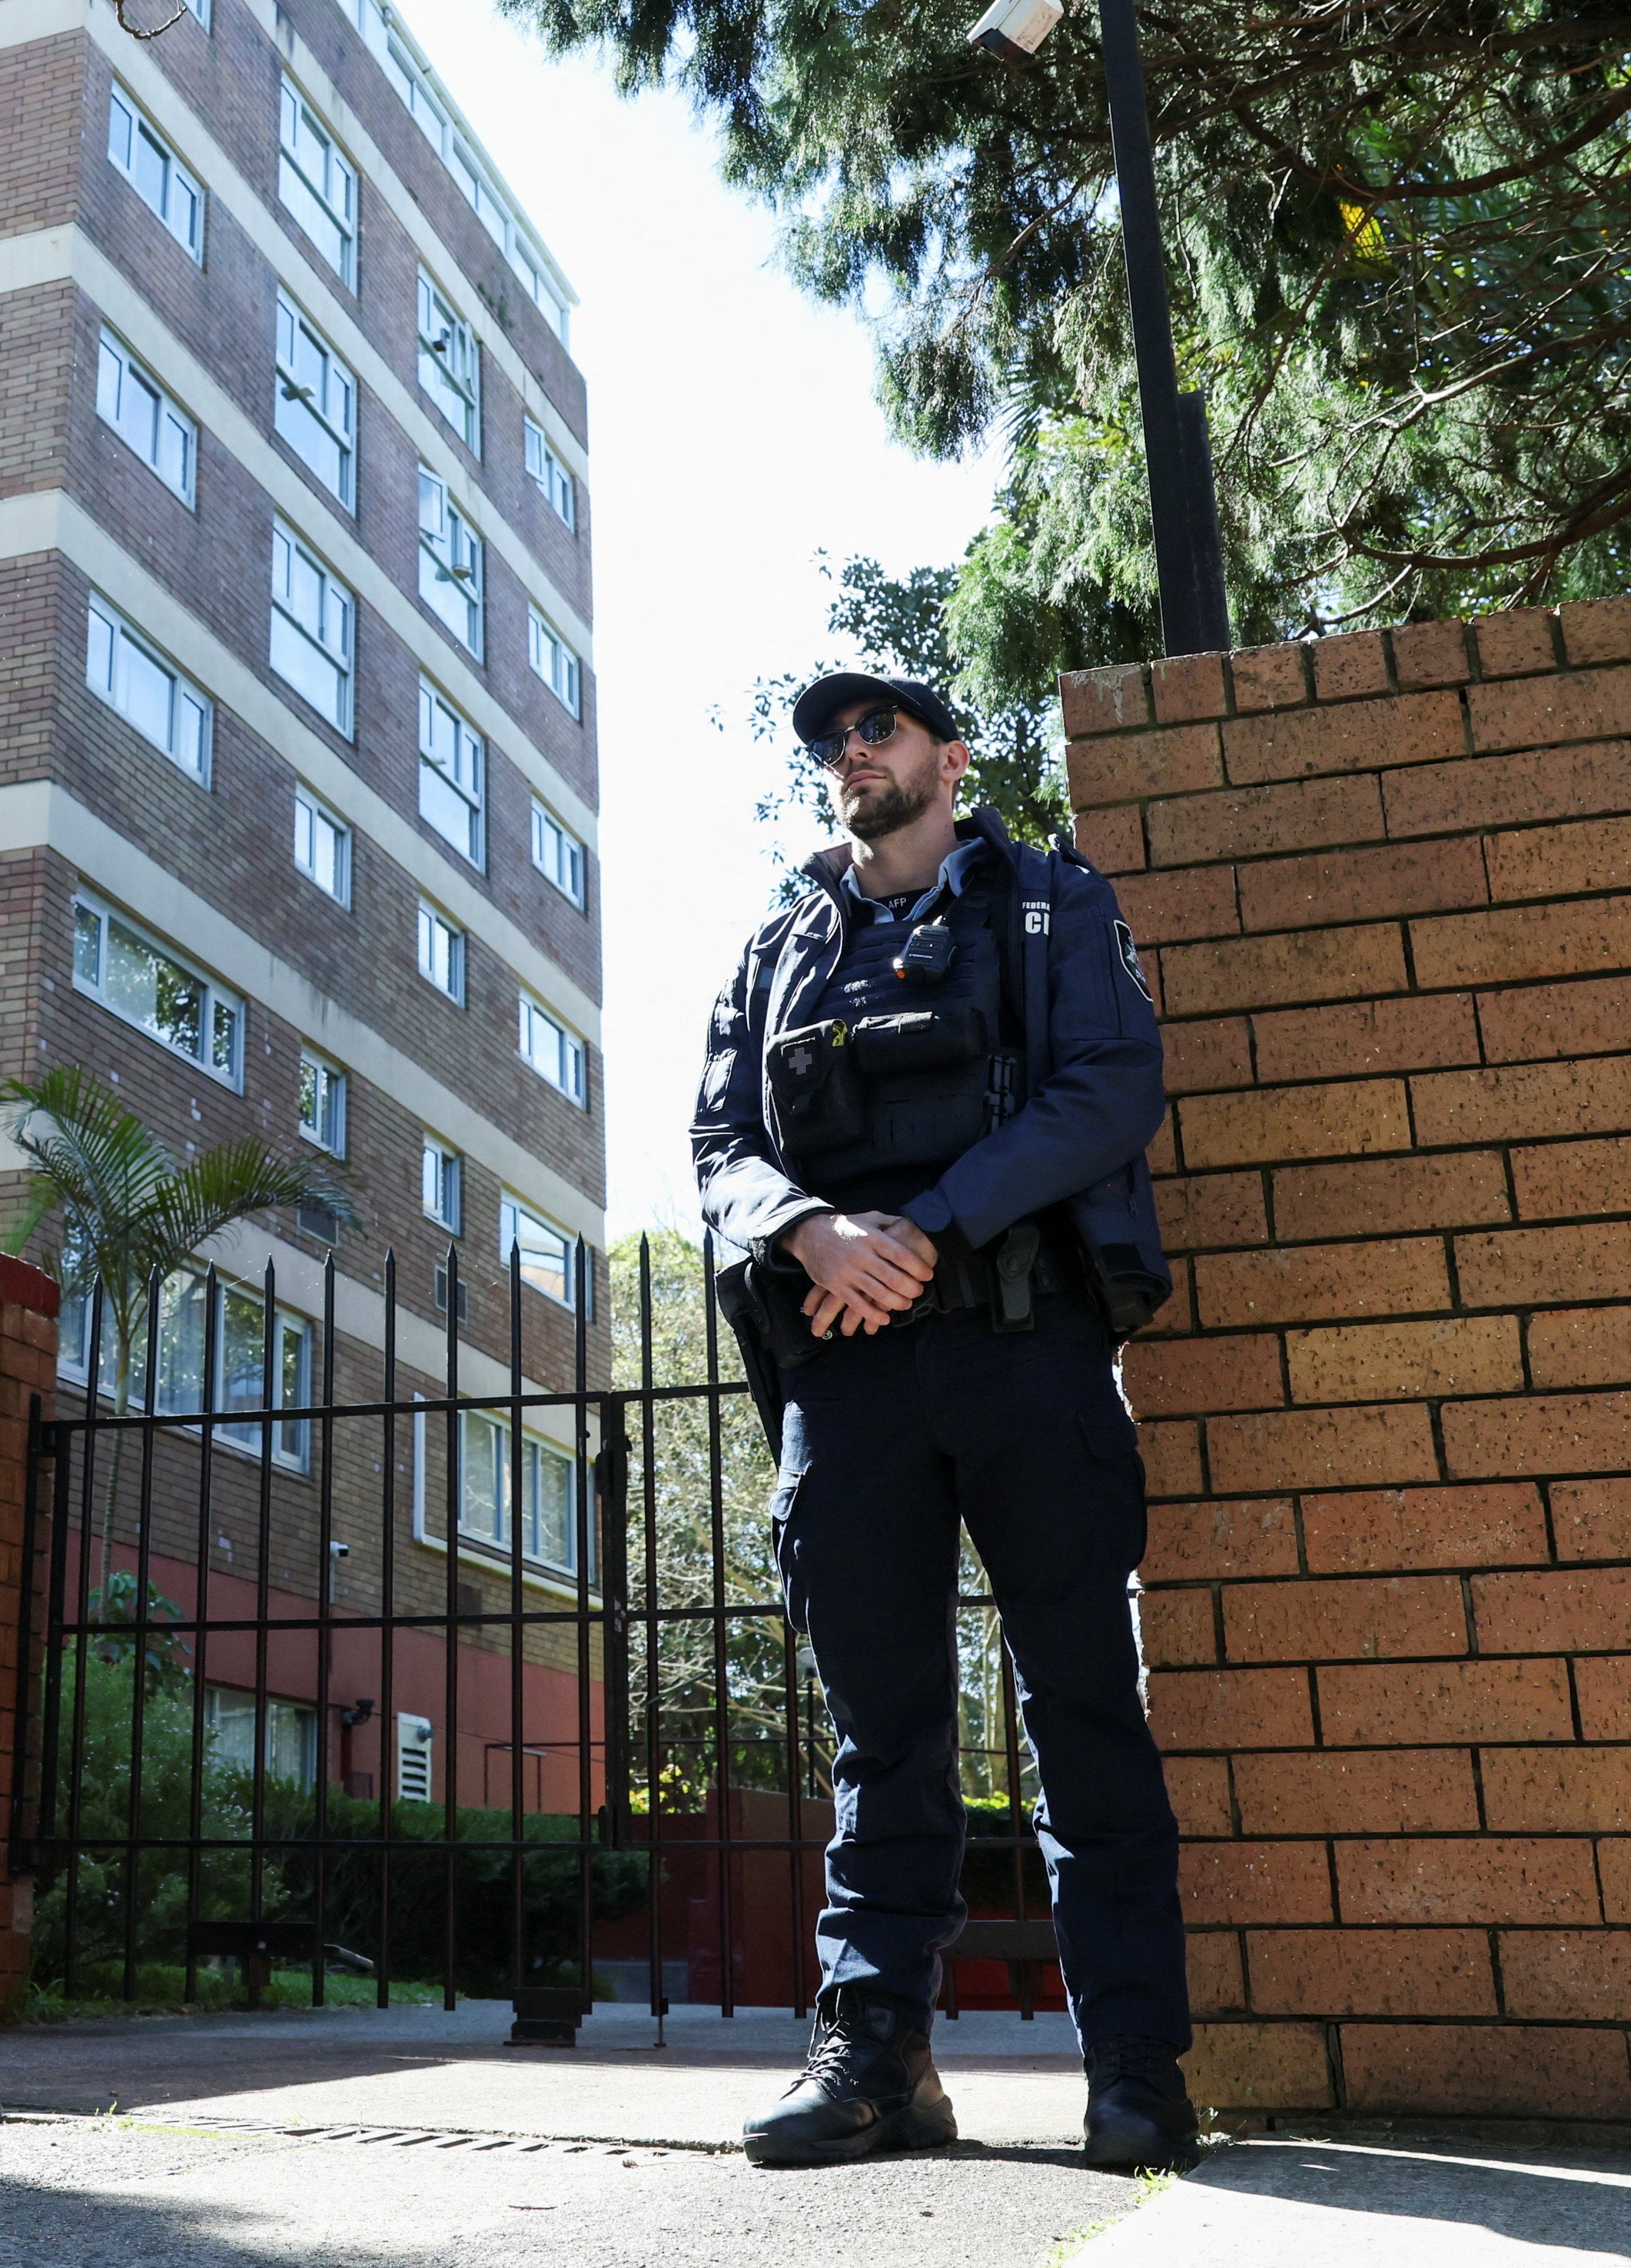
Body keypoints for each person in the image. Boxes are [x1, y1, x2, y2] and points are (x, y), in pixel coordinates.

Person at [691, 674, 1192, 2173]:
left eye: (879, 731)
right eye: (831, 742)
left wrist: (925, 1225)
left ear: (948, 759)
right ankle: (876, 2064)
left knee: (1081, 1701)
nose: (851, 754)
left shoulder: (1050, 903)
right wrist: (809, 1232)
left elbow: (1110, 1086)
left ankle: (1134, 2068)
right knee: (882, 1730)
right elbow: (719, 1142)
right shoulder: (777, 944)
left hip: (1023, 1343)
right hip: (844, 1372)